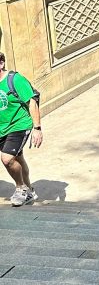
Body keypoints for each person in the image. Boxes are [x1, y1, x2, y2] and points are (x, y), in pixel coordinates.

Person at [0, 52, 42, 206]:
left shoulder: (15, 79)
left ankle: (20, 188)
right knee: (18, 158)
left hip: (19, 125)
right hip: (2, 128)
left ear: (1, 64)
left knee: (7, 159)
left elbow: (32, 102)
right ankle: (30, 191)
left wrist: (37, 128)